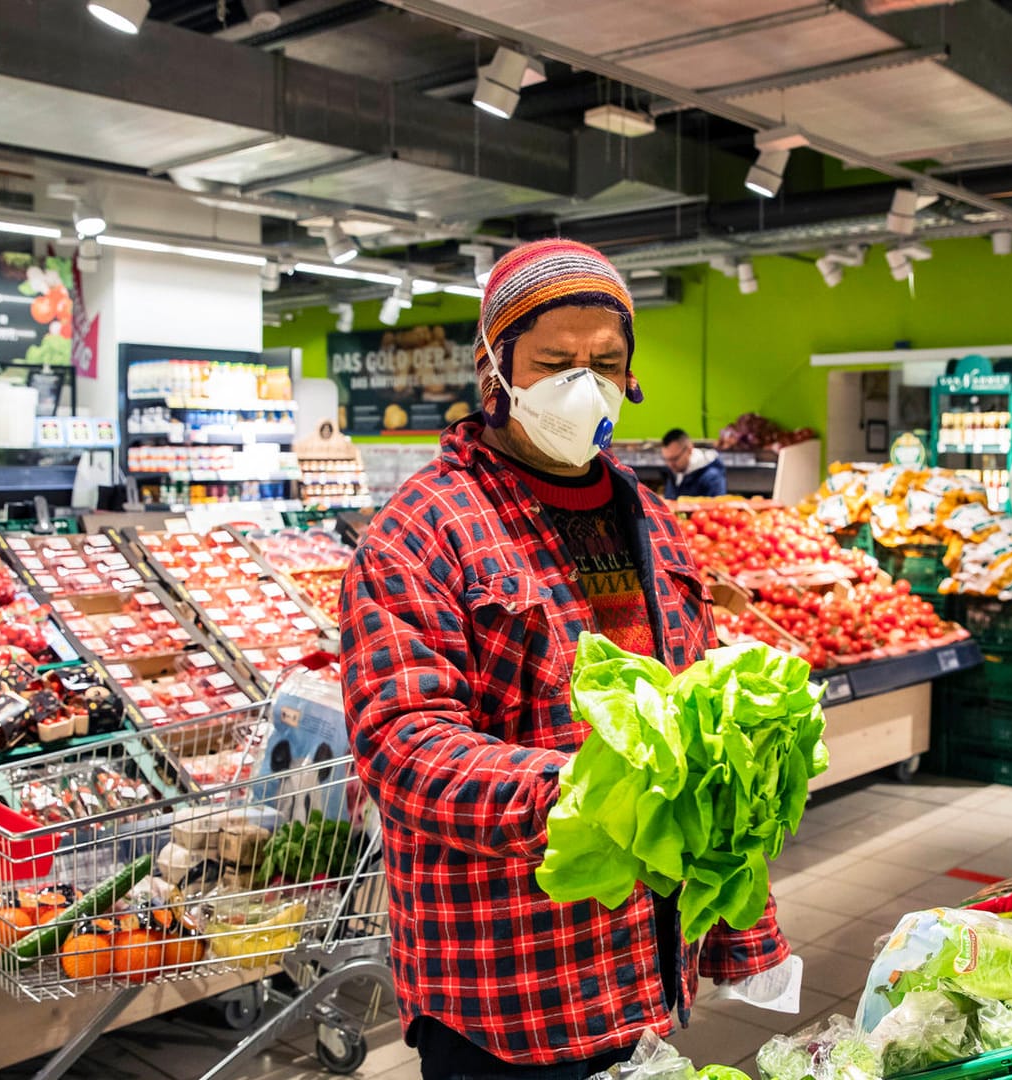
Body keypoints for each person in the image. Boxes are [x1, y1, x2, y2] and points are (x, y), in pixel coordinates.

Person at [340, 240, 793, 1080]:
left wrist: (739, 913)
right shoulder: (420, 532)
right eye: (554, 362)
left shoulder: (653, 518)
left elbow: (689, 725)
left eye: (606, 362)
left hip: (642, 966)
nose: (585, 384)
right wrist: (599, 795)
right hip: (508, 985)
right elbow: (401, 746)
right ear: (495, 369)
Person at [660, 429, 726, 499]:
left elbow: (717, 506)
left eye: (675, 458)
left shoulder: (711, 477)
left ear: (689, 449)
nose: (670, 464)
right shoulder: (676, 470)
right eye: (666, 459)